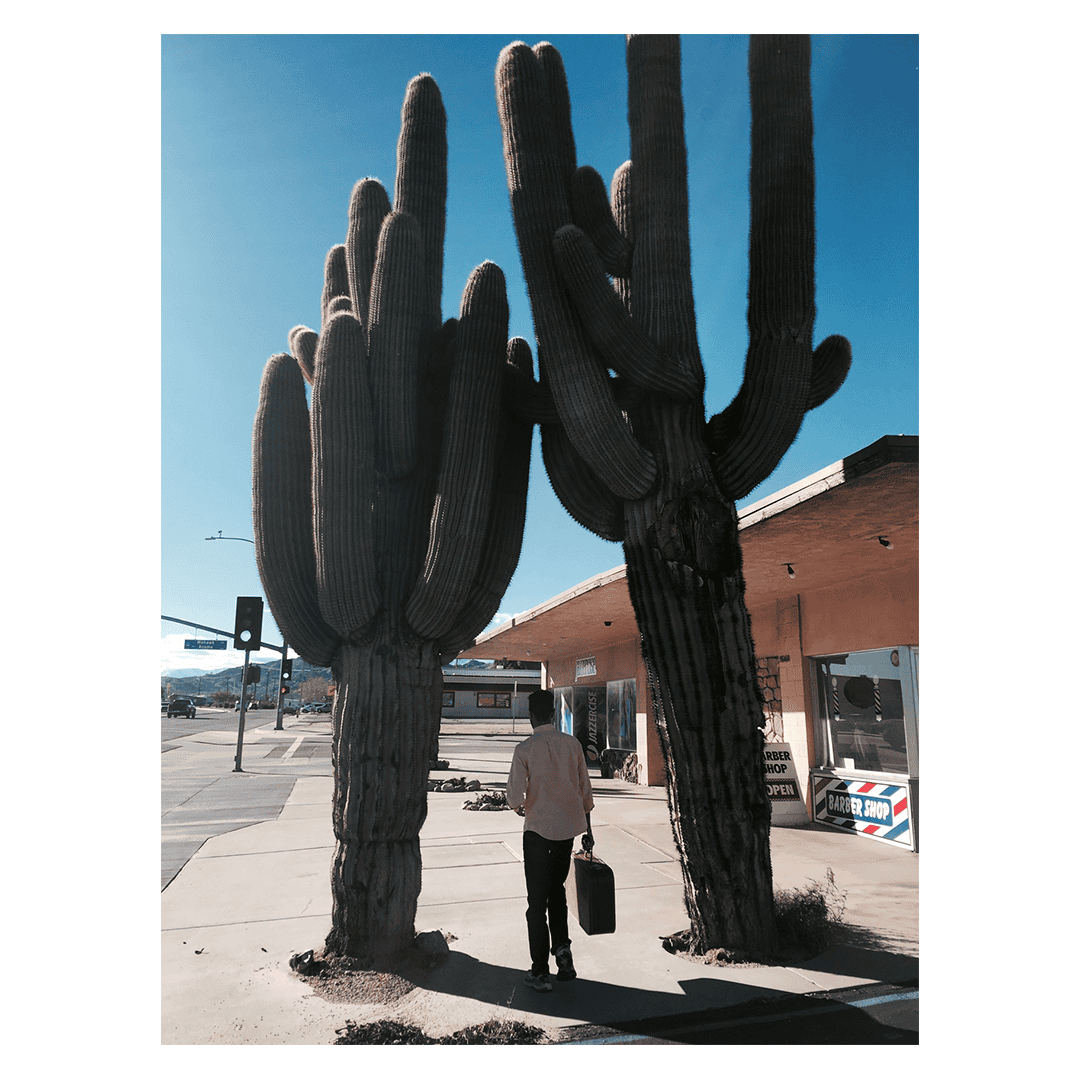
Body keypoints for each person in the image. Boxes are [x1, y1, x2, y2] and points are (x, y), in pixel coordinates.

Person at [506, 688, 595, 992]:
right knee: (557, 893)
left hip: (537, 832)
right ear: (553, 715)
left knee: (536, 903)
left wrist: (520, 806)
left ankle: (540, 971)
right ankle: (563, 952)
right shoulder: (572, 745)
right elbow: (585, 790)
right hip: (567, 832)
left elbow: (514, 797)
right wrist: (589, 830)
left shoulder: (525, 749)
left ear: (531, 716)